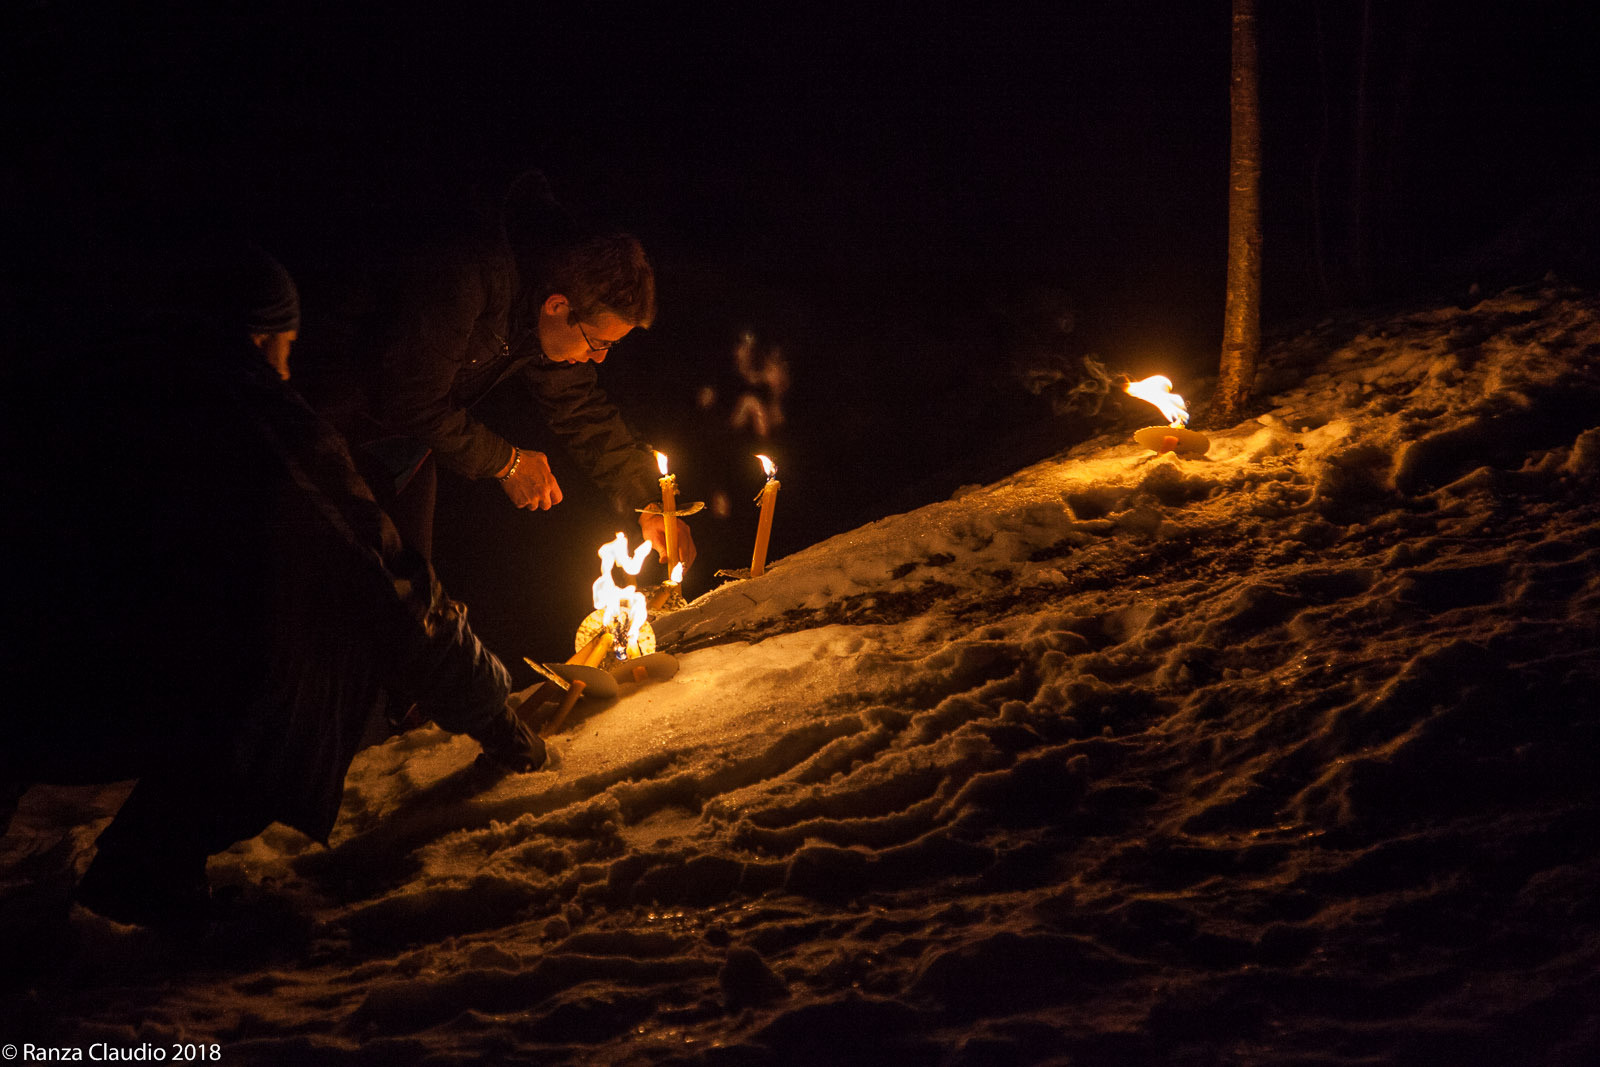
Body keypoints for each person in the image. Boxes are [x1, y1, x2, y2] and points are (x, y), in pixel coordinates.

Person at [0, 244, 544, 925]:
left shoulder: (93, 383)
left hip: (39, 678)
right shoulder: (258, 420)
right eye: (288, 345)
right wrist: (490, 706)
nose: (292, 364)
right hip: (99, 685)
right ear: (261, 339)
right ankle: (153, 864)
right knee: (328, 650)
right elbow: (380, 577)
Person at [296, 171, 696, 568]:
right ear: (558, 307)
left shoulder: (542, 301)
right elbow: (411, 398)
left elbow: (580, 408)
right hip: (316, 416)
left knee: (409, 588)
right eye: (599, 343)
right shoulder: (468, 271)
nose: (600, 359)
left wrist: (652, 503)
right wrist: (507, 462)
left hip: (397, 440)